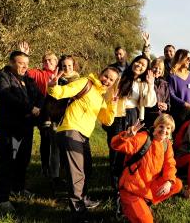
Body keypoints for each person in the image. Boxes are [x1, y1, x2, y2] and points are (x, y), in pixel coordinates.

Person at [47, 66, 119, 220]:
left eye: (111, 80)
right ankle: (79, 213)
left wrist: (112, 104)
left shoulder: (100, 96)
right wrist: (53, 85)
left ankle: (83, 200)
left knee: (86, 169)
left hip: (83, 136)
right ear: (100, 73)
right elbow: (61, 92)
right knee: (77, 174)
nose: (107, 80)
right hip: (70, 130)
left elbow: (107, 120)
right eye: (106, 76)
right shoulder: (85, 83)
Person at [0, 51, 44, 212]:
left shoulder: (27, 78)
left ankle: (18, 188)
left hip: (26, 126)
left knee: (23, 159)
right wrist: (29, 108)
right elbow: (6, 97)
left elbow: (40, 95)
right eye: (21, 63)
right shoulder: (2, 77)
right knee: (8, 160)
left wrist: (38, 108)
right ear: (11, 62)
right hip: (9, 126)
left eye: (27, 64)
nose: (25, 67)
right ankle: (2, 198)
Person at [110, 115, 182, 223]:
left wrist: (168, 181)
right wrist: (125, 136)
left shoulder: (166, 144)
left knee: (176, 184)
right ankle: (124, 204)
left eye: (168, 128)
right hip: (131, 188)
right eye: (161, 126)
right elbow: (116, 145)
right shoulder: (143, 138)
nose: (164, 130)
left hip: (148, 185)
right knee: (147, 221)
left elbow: (170, 164)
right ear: (155, 126)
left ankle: (145, 202)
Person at [106, 54, 157, 191]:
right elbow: (108, 93)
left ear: (146, 70)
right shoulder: (120, 77)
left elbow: (149, 103)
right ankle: (115, 186)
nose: (139, 66)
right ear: (133, 62)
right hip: (117, 116)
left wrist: (151, 85)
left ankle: (126, 183)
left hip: (133, 116)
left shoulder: (143, 83)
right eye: (138, 62)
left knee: (130, 150)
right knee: (116, 148)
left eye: (143, 65)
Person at [18, 42, 58, 177]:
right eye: (45, 60)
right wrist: (25, 54)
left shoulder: (62, 73)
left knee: (59, 140)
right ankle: (45, 166)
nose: (48, 62)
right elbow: (24, 72)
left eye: (50, 60)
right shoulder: (39, 73)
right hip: (43, 111)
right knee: (46, 138)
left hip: (59, 112)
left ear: (56, 62)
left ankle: (59, 168)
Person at [42, 55, 81, 191]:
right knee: (55, 150)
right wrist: (48, 119)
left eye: (69, 66)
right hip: (57, 120)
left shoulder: (80, 81)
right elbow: (49, 100)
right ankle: (55, 178)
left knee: (70, 151)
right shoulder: (57, 80)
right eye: (64, 66)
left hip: (74, 121)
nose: (67, 68)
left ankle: (71, 178)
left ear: (74, 66)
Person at [168, 49, 190, 128]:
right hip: (179, 114)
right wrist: (185, 104)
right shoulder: (172, 76)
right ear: (181, 58)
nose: (189, 61)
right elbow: (171, 94)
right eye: (188, 58)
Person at [144, 58, 170, 129]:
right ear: (151, 68)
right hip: (148, 117)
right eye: (155, 67)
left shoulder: (165, 84)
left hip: (161, 118)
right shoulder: (145, 81)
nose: (157, 70)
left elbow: (168, 100)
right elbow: (143, 100)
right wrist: (155, 105)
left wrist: (166, 106)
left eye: (160, 69)